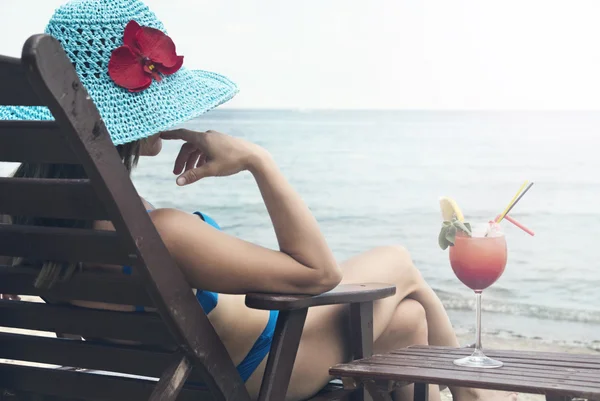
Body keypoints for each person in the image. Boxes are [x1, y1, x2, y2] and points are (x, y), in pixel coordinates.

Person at [0, 1, 518, 400]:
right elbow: (319, 274)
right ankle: (474, 393)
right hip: (266, 367)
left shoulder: (24, 222)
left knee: (409, 323)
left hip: (180, 373)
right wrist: (256, 161)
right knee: (400, 263)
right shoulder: (160, 231)